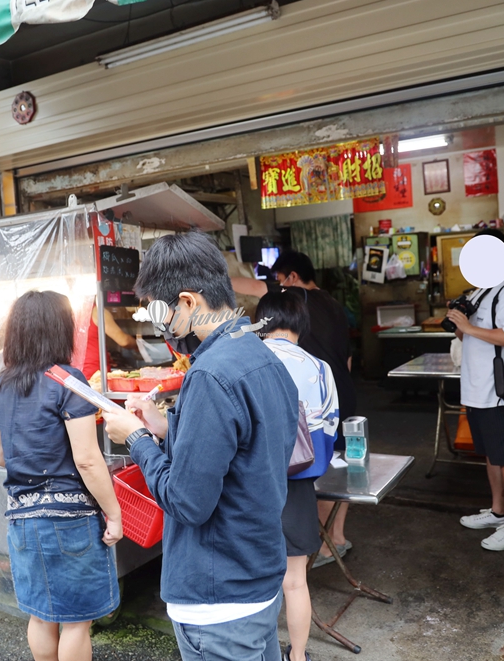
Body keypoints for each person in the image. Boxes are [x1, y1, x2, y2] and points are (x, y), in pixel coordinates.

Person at [103, 231, 299, 661]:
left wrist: (135, 439)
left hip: (219, 599)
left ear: (189, 302)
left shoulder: (209, 375)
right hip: (259, 577)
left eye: (163, 314)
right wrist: (167, 427)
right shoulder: (263, 356)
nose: (163, 328)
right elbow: (244, 448)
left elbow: (188, 502)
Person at [0, 291, 122, 661]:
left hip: (22, 520)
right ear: (61, 330)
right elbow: (89, 460)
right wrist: (115, 514)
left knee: (42, 615)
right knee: (77, 622)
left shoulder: (2, 384)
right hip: (70, 523)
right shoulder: (68, 380)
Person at [231, 251, 356, 566]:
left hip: (304, 401)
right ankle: (335, 538)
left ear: (292, 278)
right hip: (335, 392)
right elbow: (349, 357)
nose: (274, 285)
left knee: (302, 475)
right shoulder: (334, 304)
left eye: (277, 279)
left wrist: (207, 283)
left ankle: (318, 545)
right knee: (335, 472)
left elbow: (251, 288)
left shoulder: (293, 297)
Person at [255, 290, 340, 661]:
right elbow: (331, 425)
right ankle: (299, 655)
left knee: (254, 578)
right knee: (295, 580)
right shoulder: (320, 368)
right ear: (300, 325)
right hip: (298, 485)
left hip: (250, 485)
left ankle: (258, 651)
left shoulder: (248, 360)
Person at [446, 229, 504, 551]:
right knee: (490, 455)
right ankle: (498, 511)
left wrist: (469, 327)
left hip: (499, 392)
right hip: (476, 389)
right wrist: (461, 327)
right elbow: (470, 337)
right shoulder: (481, 292)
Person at [80, 306, 138, 379]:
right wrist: (138, 345)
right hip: (95, 373)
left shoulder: (69, 310)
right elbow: (124, 341)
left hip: (75, 374)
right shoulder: (97, 311)